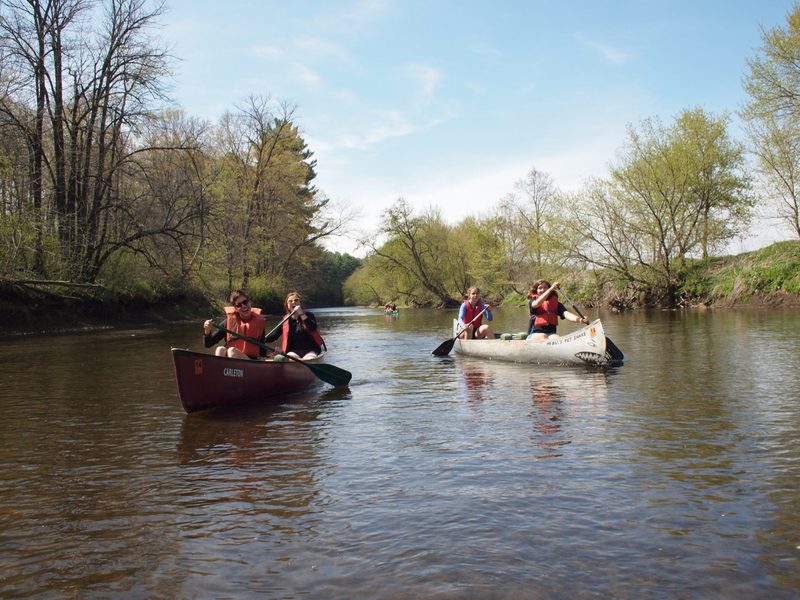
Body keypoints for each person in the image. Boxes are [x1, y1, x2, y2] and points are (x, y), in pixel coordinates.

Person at [203, 289, 267, 359]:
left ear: (249, 302)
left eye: (245, 302)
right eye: (239, 305)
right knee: (220, 349)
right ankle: (219, 369)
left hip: (250, 362)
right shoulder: (228, 322)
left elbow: (262, 352)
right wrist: (207, 331)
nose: (243, 306)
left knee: (231, 350)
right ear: (235, 308)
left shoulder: (259, 323)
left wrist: (271, 353)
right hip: (231, 361)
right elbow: (208, 344)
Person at [266, 291, 326, 359]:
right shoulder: (285, 321)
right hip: (293, 352)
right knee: (290, 358)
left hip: (311, 350)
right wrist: (261, 339)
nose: (293, 302)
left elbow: (312, 327)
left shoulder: (309, 315)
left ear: (300, 303)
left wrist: (301, 313)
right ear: (287, 306)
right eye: (290, 301)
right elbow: (273, 336)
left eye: (296, 300)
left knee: (309, 358)